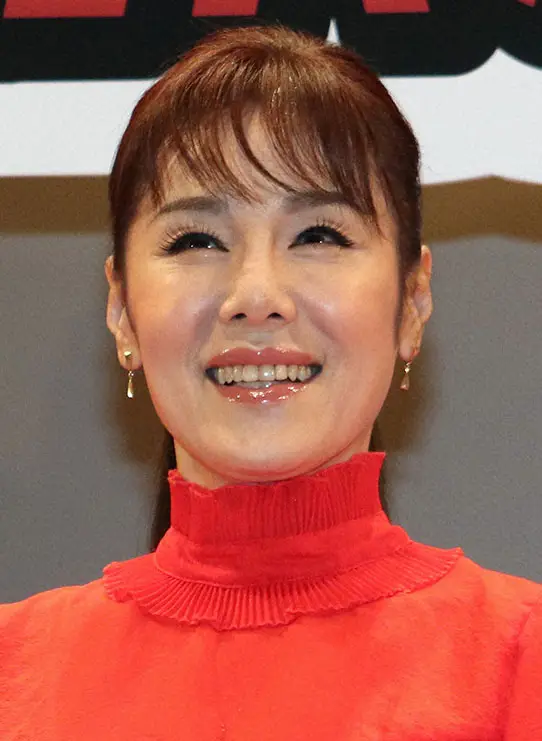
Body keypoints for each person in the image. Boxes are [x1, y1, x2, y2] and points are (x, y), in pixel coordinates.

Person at [1, 24, 541, 740]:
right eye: (197, 240)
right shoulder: (16, 674)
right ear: (122, 311)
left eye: (319, 235)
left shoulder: (519, 661)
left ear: (412, 302)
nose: (256, 295)